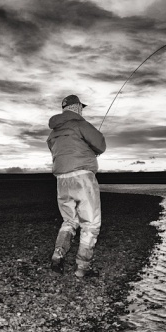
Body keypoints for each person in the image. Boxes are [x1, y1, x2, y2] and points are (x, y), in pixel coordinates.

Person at [47, 94, 107, 278]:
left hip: (62, 180)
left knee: (69, 221)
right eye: (81, 107)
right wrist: (91, 151)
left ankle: (58, 257)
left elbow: (59, 150)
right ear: (77, 108)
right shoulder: (81, 124)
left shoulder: (53, 133)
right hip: (82, 178)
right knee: (90, 223)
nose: (82, 110)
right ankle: (82, 268)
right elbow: (101, 145)